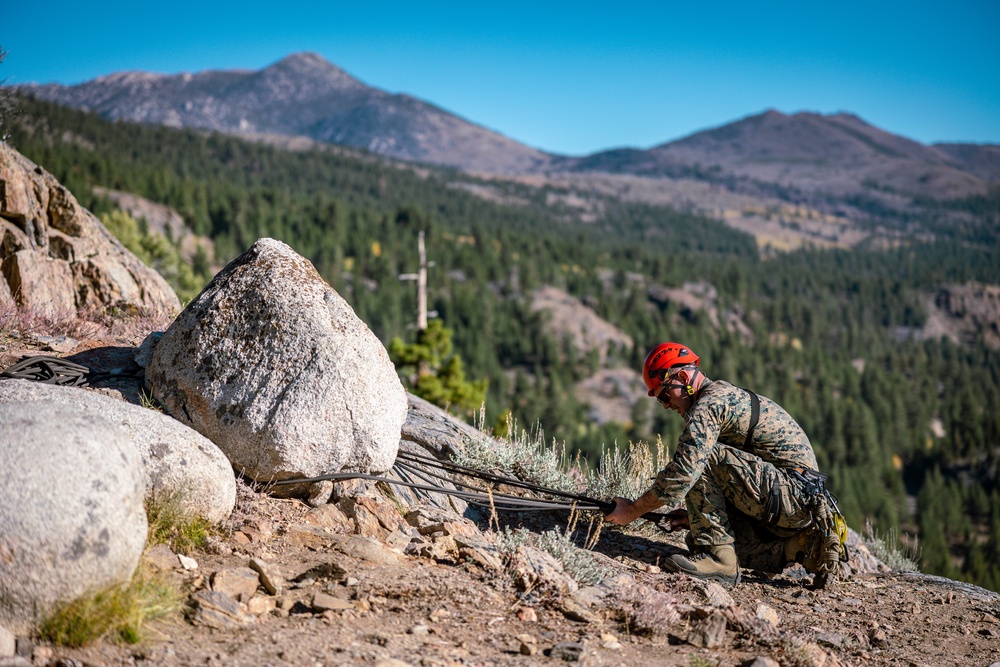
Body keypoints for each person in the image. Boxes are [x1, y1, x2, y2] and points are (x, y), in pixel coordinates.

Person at [605, 342, 846, 586]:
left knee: (703, 459)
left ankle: (720, 561)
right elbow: (740, 475)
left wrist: (633, 510)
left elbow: (684, 473)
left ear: (683, 377)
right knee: (698, 537)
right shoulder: (722, 395)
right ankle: (800, 548)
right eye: (660, 400)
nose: (666, 404)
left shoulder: (709, 405)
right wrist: (699, 514)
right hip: (794, 503)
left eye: (664, 394)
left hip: (788, 496)